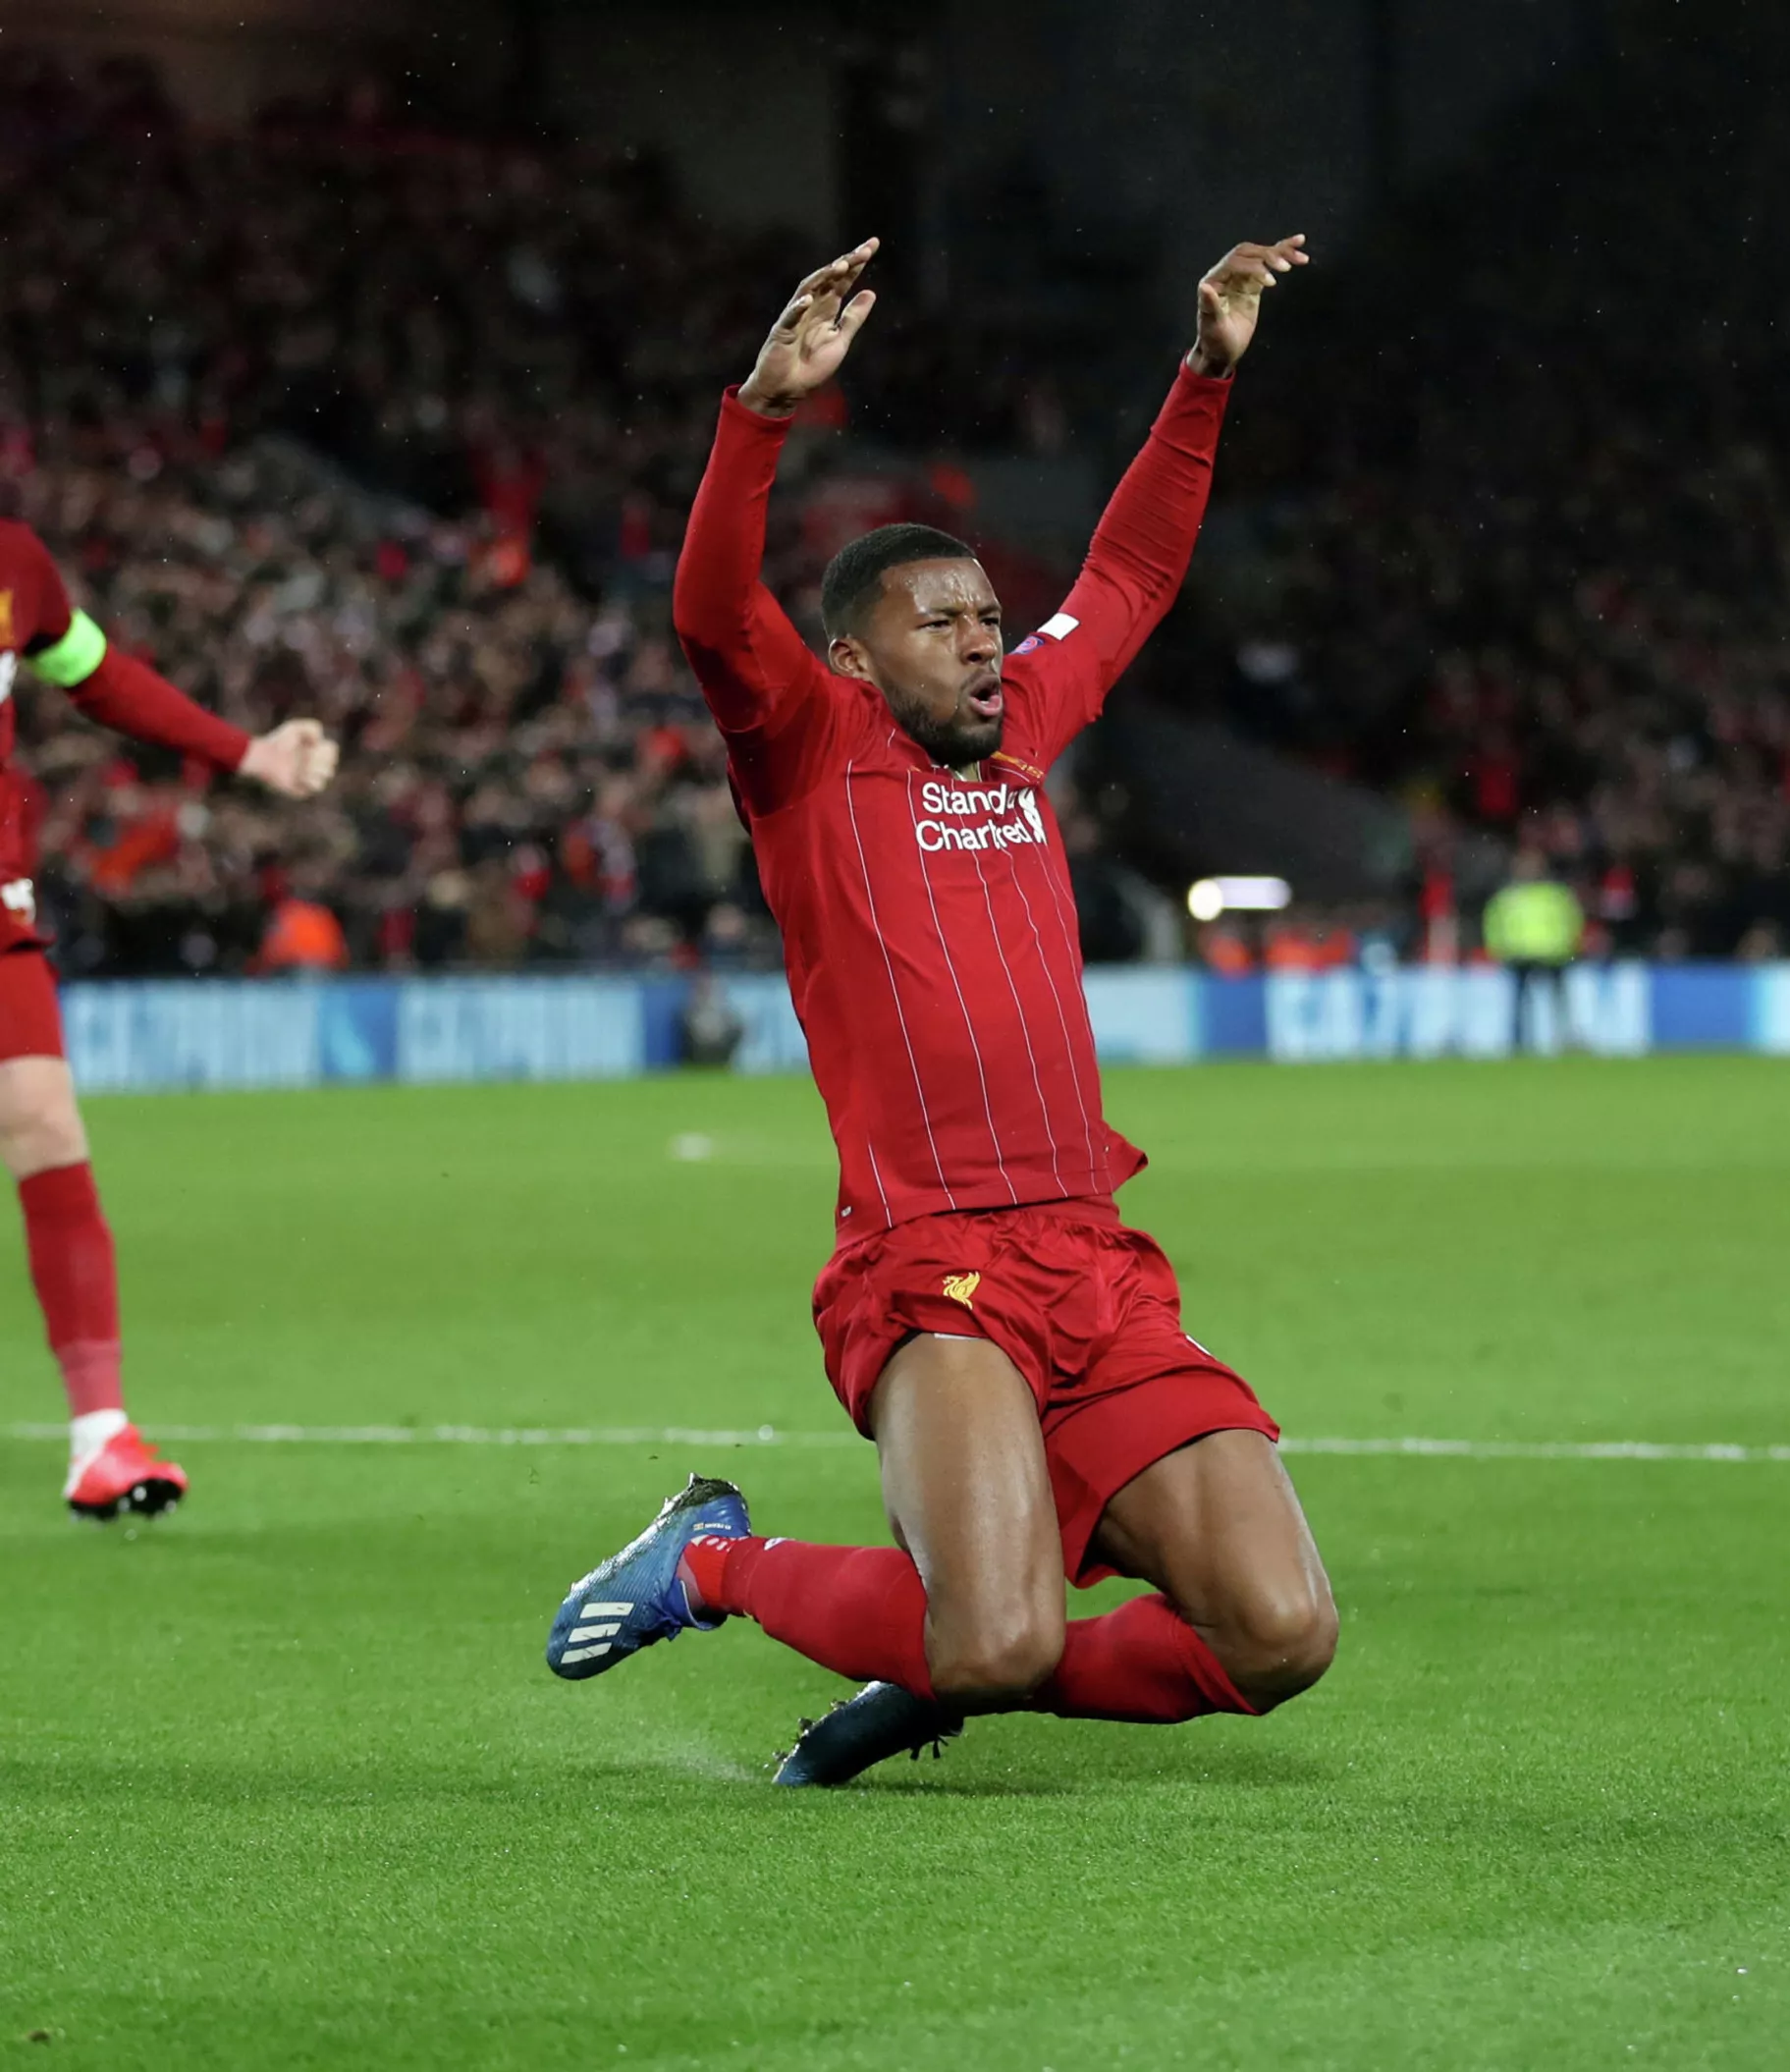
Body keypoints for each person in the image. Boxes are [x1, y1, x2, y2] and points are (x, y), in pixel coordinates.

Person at [545, 234, 1340, 1786]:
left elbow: (1127, 578)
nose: (985, 635)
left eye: (988, 612)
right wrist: (762, 415)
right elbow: (710, 610)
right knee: (995, 1639)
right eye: (943, 619)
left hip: (1094, 1258)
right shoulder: (804, 743)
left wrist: (1203, 377)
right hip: (931, 1260)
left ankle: (921, 1660)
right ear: (853, 654)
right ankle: (710, 1561)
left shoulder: (1026, 722)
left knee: (1279, 1632)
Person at [0, 517, 338, 1516]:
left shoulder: (16, 563)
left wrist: (247, 754)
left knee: (45, 1123)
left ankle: (101, 1435)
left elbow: (96, 672)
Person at [1483, 847, 1583, 1053]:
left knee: (1557, 1001)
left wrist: (1571, 945)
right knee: (1521, 1003)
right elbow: (1493, 922)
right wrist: (1496, 948)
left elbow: (1572, 919)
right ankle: (1519, 1042)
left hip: (1552, 953)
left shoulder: (1554, 894)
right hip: (1520, 954)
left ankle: (1564, 1039)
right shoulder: (1508, 896)